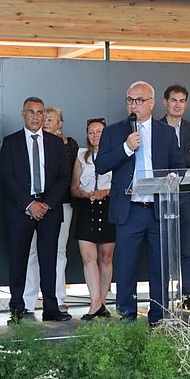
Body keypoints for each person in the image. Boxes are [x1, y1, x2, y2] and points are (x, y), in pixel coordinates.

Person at [95, 81, 185, 326]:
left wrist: (173, 178)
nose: (133, 105)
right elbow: (101, 164)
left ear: (152, 103)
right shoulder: (114, 132)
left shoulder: (166, 132)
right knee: (125, 269)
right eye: (130, 100)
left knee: (159, 269)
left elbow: (177, 165)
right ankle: (127, 318)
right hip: (129, 210)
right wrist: (126, 148)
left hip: (158, 211)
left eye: (139, 100)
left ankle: (158, 318)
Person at [1, 97, 72, 323]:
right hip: (21, 208)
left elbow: (64, 177)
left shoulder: (55, 142)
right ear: (23, 114)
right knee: (19, 259)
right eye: (31, 112)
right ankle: (17, 308)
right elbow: (7, 177)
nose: (35, 116)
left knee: (49, 259)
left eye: (40, 113)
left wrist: (46, 203)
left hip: (49, 208)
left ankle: (51, 308)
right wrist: (29, 204)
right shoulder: (10, 142)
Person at [23, 107, 78, 313]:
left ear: (60, 123)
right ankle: (28, 301)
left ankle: (57, 297)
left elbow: (68, 175)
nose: (45, 122)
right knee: (32, 252)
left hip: (60, 204)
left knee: (58, 251)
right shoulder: (29, 141)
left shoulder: (68, 144)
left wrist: (49, 202)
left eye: (50, 119)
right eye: (42, 118)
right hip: (32, 205)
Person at [159, 84, 190, 311]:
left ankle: (186, 294)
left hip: (188, 197)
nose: (178, 105)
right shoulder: (156, 128)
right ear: (165, 102)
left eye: (182, 101)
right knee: (163, 249)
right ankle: (163, 296)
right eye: (174, 100)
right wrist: (185, 156)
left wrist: (175, 159)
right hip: (163, 196)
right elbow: (159, 163)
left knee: (186, 249)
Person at [71, 118, 116, 320]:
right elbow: (73, 187)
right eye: (91, 132)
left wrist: (104, 192)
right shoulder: (81, 155)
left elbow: (122, 184)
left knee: (106, 257)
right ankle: (94, 303)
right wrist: (86, 194)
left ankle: (103, 303)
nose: (95, 135)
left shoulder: (115, 155)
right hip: (86, 206)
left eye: (99, 131)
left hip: (108, 206)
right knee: (88, 257)